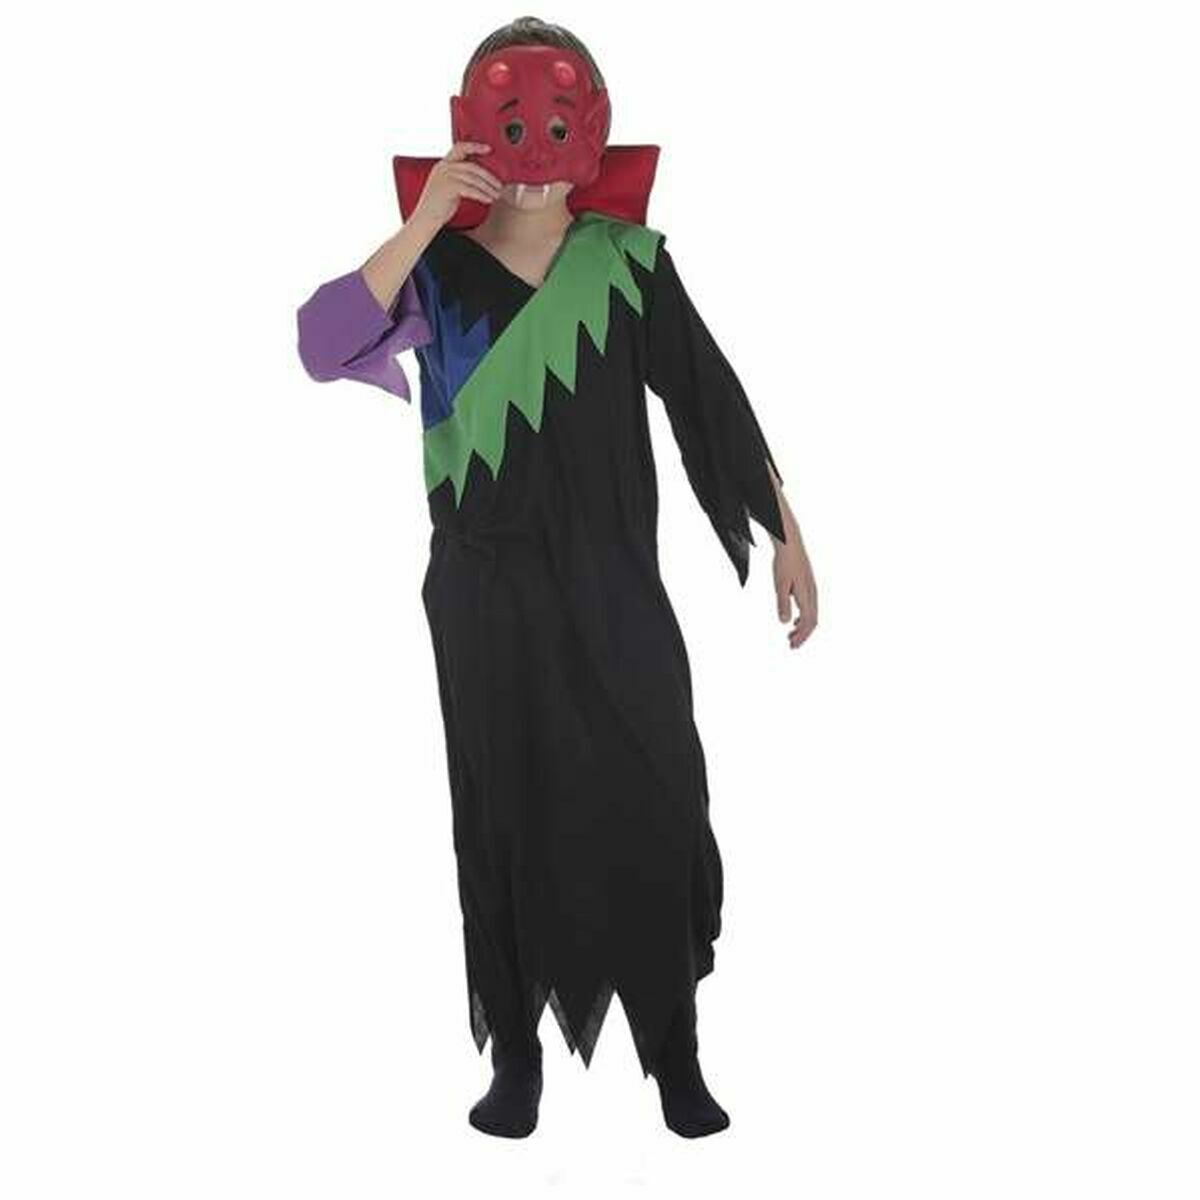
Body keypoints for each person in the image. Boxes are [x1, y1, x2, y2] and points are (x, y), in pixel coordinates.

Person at [296, 16, 818, 1139]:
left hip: (615, 581)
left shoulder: (627, 262)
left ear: (592, 128)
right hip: (485, 596)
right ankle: (518, 1058)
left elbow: (709, 395)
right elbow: (321, 342)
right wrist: (425, 217)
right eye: (511, 126)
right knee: (504, 811)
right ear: (471, 131)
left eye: (552, 125)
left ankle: (674, 1052)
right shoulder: (434, 273)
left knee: (656, 794)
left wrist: (785, 531)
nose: (532, 153)